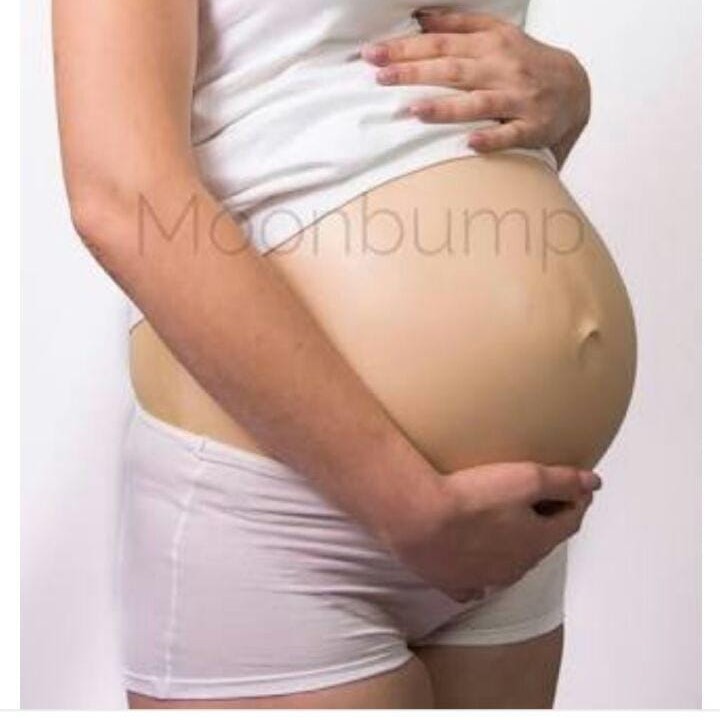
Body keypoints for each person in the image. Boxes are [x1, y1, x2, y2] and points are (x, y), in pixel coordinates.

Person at [52, 0, 637, 709]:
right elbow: (121, 196)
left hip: (500, 515)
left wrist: (566, 99)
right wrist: (408, 507)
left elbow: (408, 111)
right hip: (294, 504)